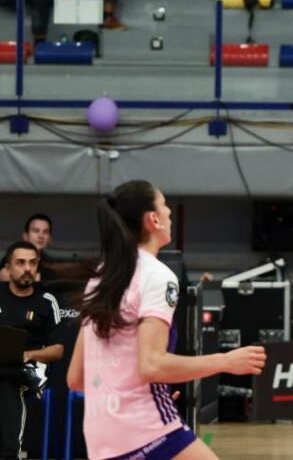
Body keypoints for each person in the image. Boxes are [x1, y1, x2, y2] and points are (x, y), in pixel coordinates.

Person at [67, 180, 267, 460]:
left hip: (102, 437)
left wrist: (135, 391)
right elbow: (153, 365)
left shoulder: (101, 278)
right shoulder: (157, 275)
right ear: (153, 219)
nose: (170, 213)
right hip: (146, 429)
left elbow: (76, 378)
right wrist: (226, 361)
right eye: (164, 205)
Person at [0, 241, 62, 460]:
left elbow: (58, 350)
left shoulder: (46, 301)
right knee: (5, 377)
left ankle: (9, 452)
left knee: (8, 380)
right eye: (20, 263)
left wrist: (28, 355)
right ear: (8, 268)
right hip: (3, 365)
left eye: (32, 263)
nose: (27, 268)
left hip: (31, 368)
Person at [0, 214, 53, 283]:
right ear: (25, 236)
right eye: (36, 231)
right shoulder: (12, 257)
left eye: (45, 232)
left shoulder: (49, 262)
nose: (41, 236)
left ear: (50, 238)